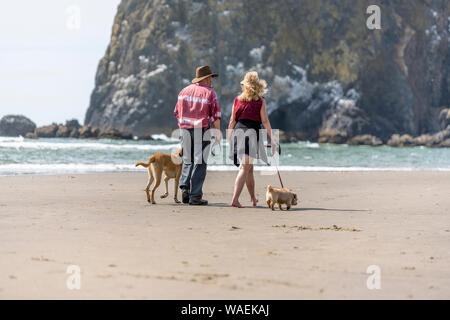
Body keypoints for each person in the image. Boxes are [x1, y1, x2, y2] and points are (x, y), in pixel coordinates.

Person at [227, 71, 278, 208]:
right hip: (251, 134)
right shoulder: (260, 101)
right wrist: (272, 138)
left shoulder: (237, 99)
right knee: (245, 167)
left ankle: (253, 198)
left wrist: (229, 137)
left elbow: (232, 120)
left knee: (249, 168)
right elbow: (265, 121)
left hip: (238, 132)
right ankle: (235, 199)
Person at [174, 66, 221, 206]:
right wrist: (218, 134)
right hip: (201, 129)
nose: (212, 80)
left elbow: (176, 112)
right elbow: (216, 115)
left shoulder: (184, 91)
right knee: (200, 162)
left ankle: (184, 187)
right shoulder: (210, 93)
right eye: (211, 77)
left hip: (184, 129)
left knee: (188, 159)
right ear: (206, 78)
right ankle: (195, 196)